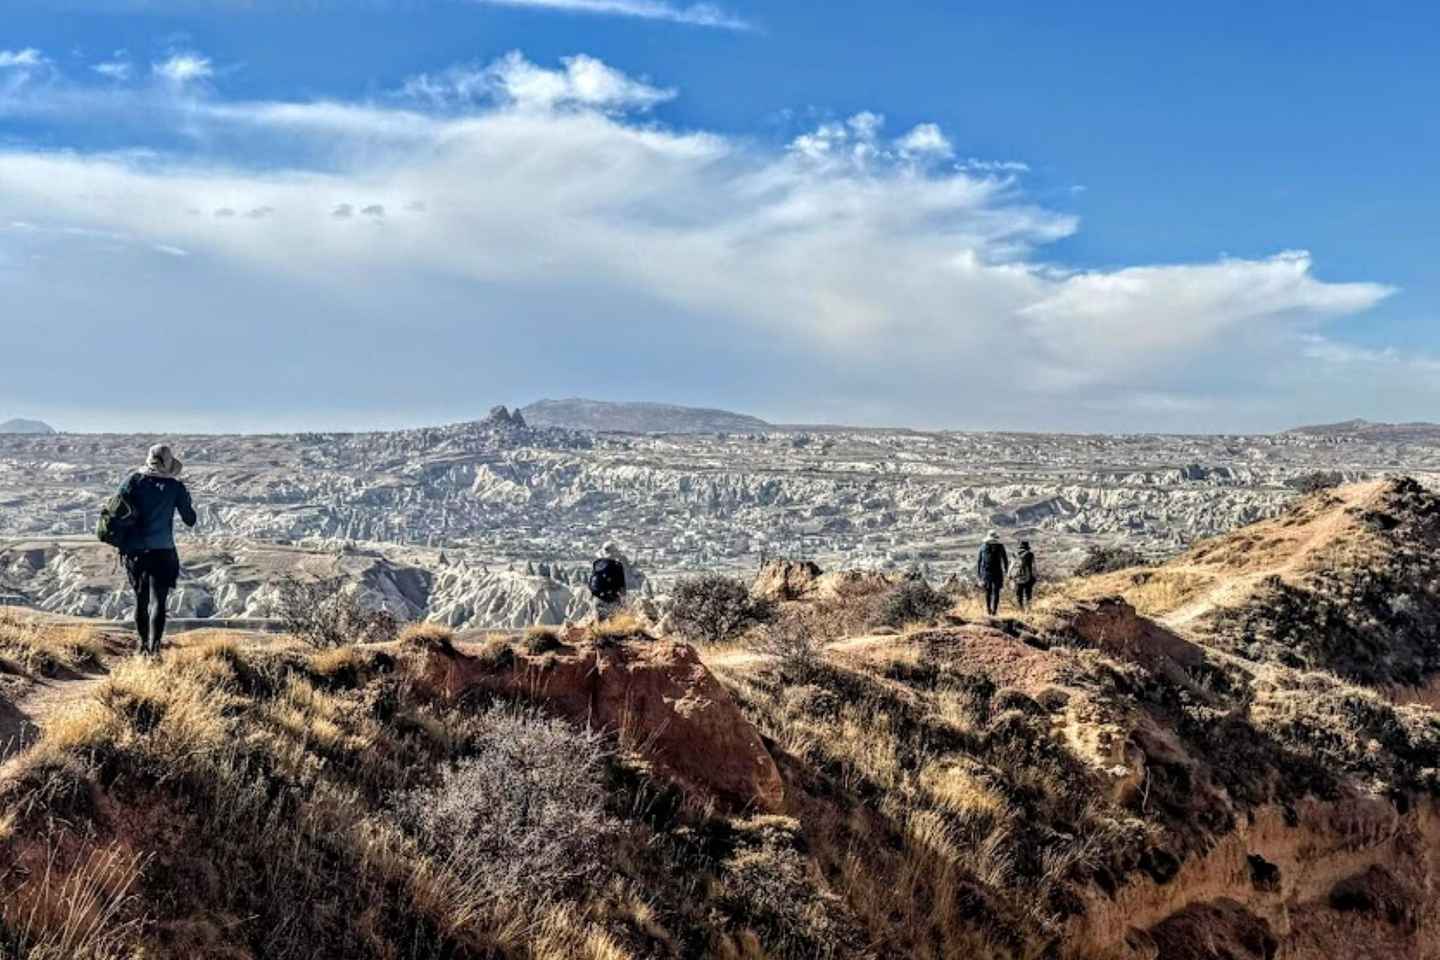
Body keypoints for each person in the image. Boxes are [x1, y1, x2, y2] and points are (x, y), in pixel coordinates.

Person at [118, 445, 197, 656]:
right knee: (158, 603)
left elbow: (117, 509)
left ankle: (142, 647)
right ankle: (155, 651)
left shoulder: (133, 481)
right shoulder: (175, 487)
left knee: (140, 600)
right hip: (163, 551)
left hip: (135, 551)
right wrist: (184, 498)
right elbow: (190, 520)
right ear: (169, 464)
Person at [587, 550, 627, 623]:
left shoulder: (598, 565)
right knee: (615, 619)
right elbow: (622, 587)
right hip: (612, 597)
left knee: (600, 619)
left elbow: (591, 584)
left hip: (598, 596)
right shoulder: (617, 566)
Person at [976, 530, 1009, 617]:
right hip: (997, 571)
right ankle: (994, 611)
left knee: (988, 591)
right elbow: (1005, 560)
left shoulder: (983, 546)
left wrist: (979, 574)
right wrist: (1006, 571)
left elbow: (979, 561)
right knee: (996, 591)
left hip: (986, 572)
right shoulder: (1000, 546)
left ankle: (989, 610)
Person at [1013, 540, 1037, 611]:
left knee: (1019, 593)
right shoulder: (1030, 554)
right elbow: (1034, 566)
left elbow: (1012, 565)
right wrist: (1035, 575)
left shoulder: (1015, 554)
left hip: (1017, 576)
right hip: (1028, 576)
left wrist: (1010, 575)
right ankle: (1028, 608)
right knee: (1028, 593)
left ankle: (1020, 608)